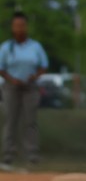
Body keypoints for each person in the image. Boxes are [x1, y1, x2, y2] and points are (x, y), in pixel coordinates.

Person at [0, 11, 49, 171]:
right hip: (11, 87)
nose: (19, 28)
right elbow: (1, 68)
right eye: (16, 25)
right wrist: (11, 79)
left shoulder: (35, 46)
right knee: (11, 120)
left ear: (26, 26)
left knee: (30, 121)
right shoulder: (6, 47)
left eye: (22, 25)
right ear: (12, 27)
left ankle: (32, 155)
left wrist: (34, 76)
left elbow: (44, 65)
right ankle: (8, 155)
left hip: (30, 87)